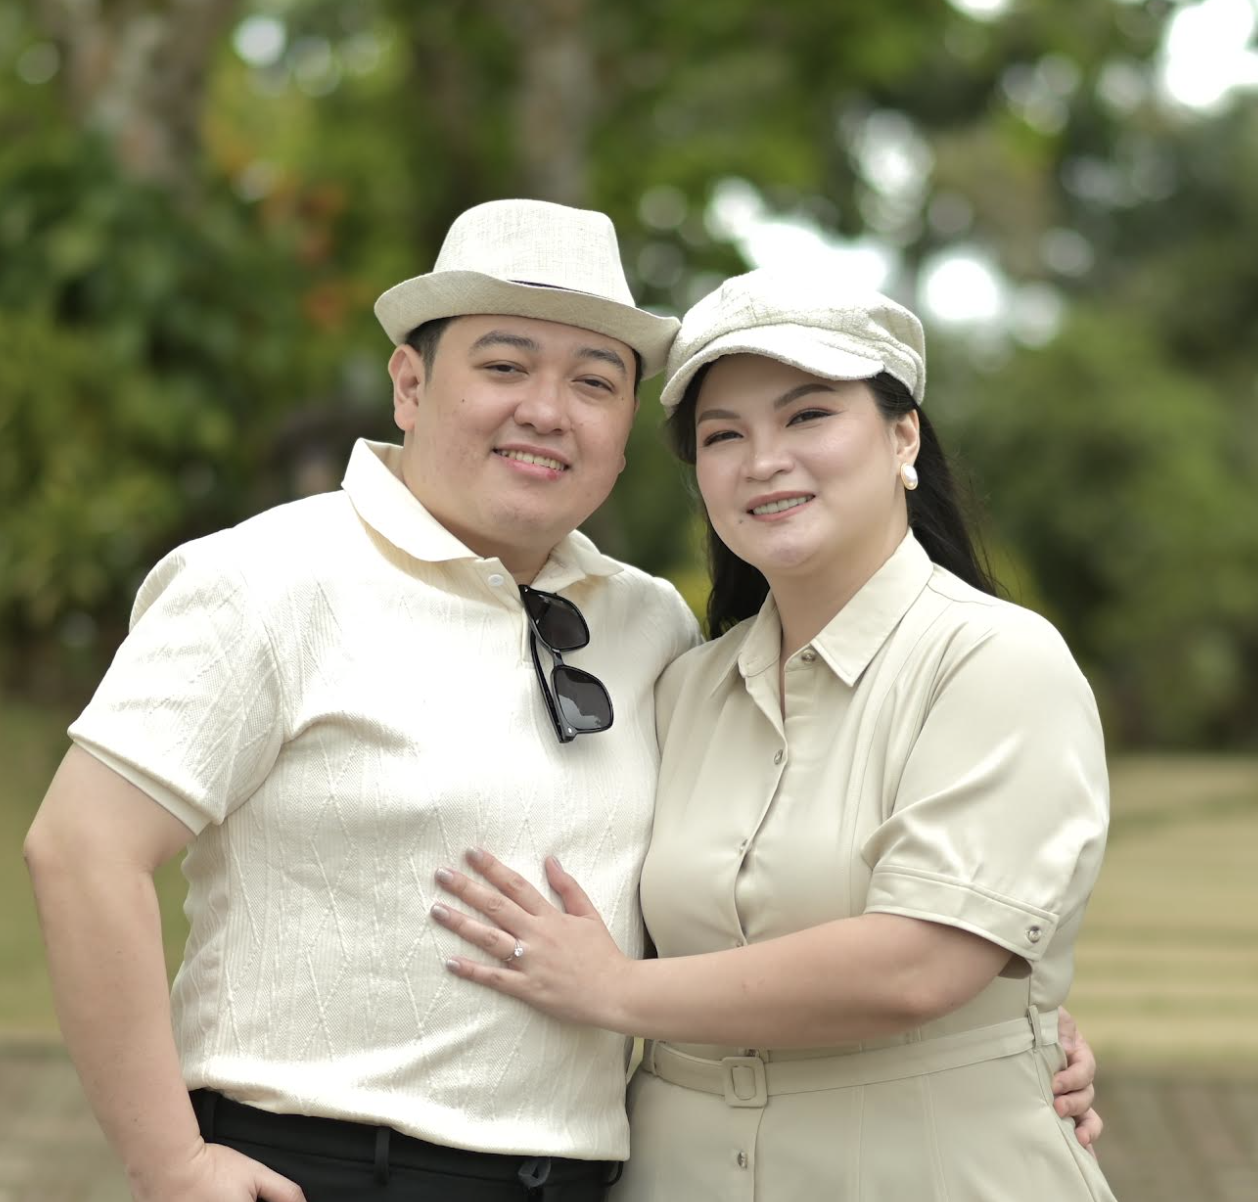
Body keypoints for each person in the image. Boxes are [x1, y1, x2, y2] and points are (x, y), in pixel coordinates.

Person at [23, 199, 699, 1202]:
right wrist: (170, 1163)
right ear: (410, 385)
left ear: (625, 430)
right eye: (504, 366)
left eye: (594, 382)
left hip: (586, 1176)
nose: (547, 410)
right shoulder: (268, 578)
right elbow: (82, 849)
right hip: (322, 1169)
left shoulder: (653, 623)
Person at [429, 269, 1117, 1200]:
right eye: (724, 436)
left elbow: (918, 966)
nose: (763, 461)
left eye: (808, 416)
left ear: (904, 436)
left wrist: (613, 991)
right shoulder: (682, 686)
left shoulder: (997, 662)